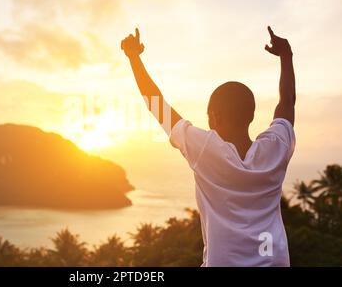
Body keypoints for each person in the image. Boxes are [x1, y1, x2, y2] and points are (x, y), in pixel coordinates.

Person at [121, 26, 296, 266]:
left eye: (208, 117)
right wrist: (286, 56)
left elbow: (157, 106)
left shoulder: (206, 150)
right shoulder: (275, 149)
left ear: (215, 116)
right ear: (251, 115)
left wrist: (133, 58)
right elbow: (287, 102)